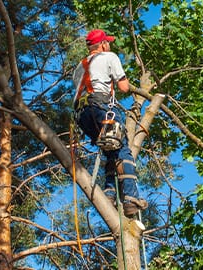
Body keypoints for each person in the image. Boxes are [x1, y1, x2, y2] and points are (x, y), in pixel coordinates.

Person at [73, 29, 148, 217]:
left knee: (111, 150)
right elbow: (123, 87)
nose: (110, 45)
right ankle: (131, 198)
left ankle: (109, 193)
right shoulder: (108, 56)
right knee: (123, 150)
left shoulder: (79, 67)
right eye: (108, 42)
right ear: (103, 45)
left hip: (82, 115)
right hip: (102, 107)